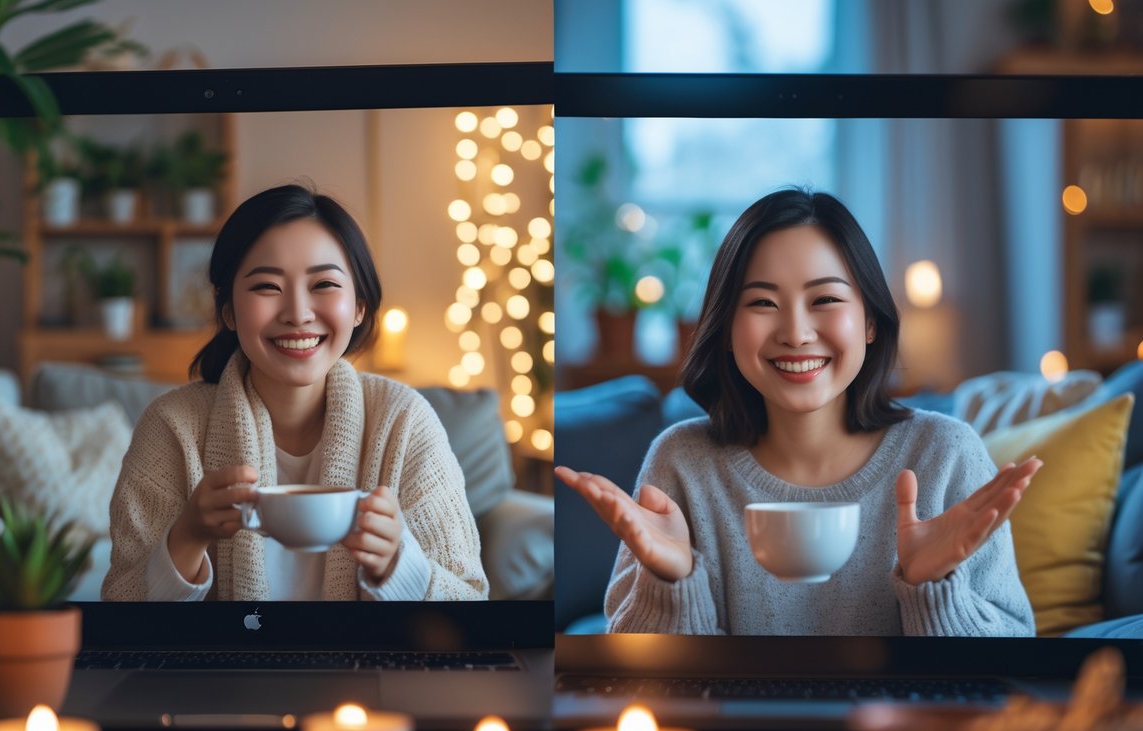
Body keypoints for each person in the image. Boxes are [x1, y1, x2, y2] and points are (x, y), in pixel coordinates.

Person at [556, 187, 1039, 636]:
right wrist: (671, 580)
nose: (796, 332)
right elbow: (633, 683)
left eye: (825, 299)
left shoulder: (947, 454)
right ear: (726, 328)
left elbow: (1013, 666)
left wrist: (934, 591)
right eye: (763, 302)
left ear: (870, 321)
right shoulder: (681, 462)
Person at [102, 184, 487, 601]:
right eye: (267, 287)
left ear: (359, 305)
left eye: (323, 284)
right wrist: (188, 536)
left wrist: (398, 564)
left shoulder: (405, 422)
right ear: (228, 309)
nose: (298, 313)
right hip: (225, 667)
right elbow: (122, 602)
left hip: (365, 664)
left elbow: (470, 601)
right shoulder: (171, 427)